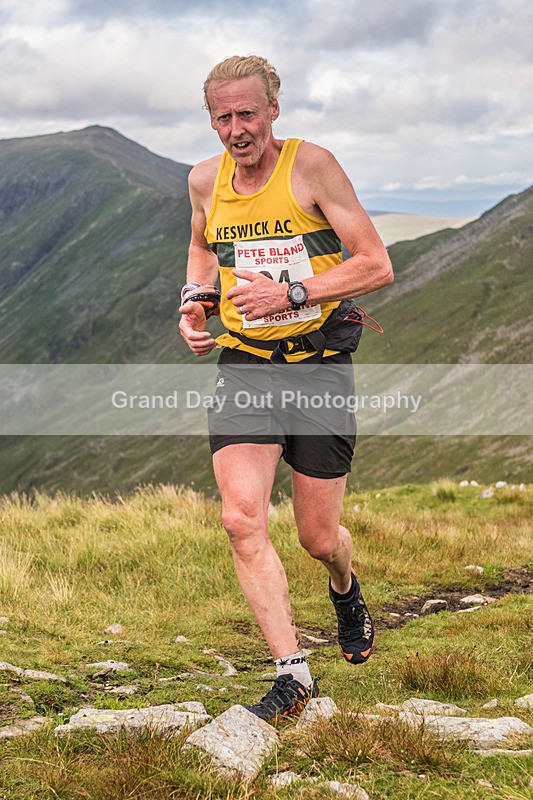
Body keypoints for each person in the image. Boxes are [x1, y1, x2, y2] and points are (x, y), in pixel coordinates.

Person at [179, 55, 393, 722]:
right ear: (211, 119)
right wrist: (194, 301)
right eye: (223, 117)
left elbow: (374, 263)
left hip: (320, 363)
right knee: (241, 518)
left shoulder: (312, 167)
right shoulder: (202, 181)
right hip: (246, 361)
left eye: (247, 113)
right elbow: (202, 247)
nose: (236, 128)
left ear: (273, 110)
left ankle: (344, 584)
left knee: (316, 536)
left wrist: (294, 292)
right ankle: (291, 674)